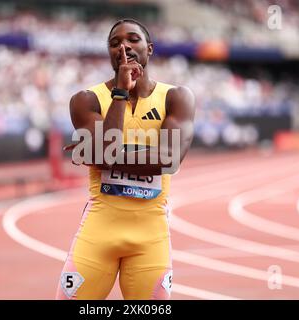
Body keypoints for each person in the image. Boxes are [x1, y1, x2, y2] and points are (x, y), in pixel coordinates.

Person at [56, 19, 195, 300]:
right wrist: (120, 93)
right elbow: (112, 152)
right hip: (99, 232)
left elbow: (169, 160)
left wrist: (97, 154)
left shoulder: (176, 97)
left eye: (133, 39)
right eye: (114, 43)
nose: (124, 46)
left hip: (150, 237)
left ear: (150, 49)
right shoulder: (86, 100)